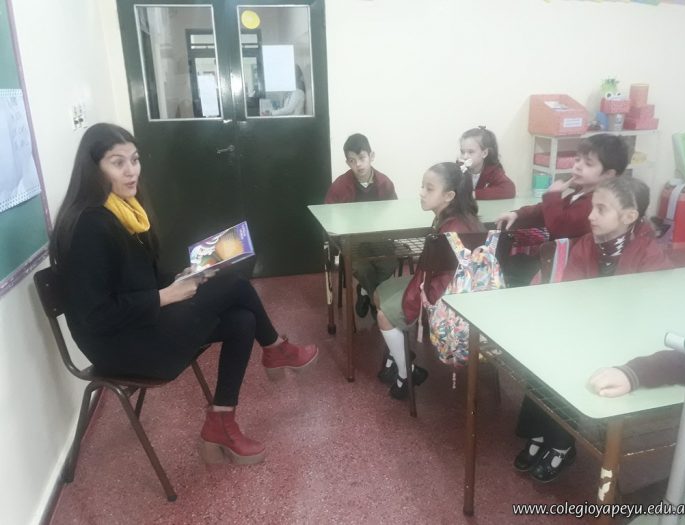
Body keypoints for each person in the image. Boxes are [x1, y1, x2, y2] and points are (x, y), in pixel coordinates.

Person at [49, 123, 318, 466]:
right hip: (121, 347)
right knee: (237, 286)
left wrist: (179, 278)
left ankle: (221, 421)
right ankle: (276, 349)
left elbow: (139, 279)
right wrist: (166, 296)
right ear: (94, 169)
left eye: (135, 159)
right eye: (118, 163)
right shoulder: (89, 226)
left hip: (140, 325)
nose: (131, 171)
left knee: (242, 320)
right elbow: (95, 315)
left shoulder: (125, 212)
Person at [513, 176, 672, 483]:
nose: (591, 215)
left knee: (566, 364)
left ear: (629, 216)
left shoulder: (648, 252)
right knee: (543, 355)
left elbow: (656, 304)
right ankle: (539, 432)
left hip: (626, 338)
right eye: (592, 207)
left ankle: (561, 444)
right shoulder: (588, 243)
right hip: (589, 327)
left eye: (601, 209)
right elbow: (572, 292)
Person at [373, 162, 485, 399]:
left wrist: (409, 307)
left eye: (429, 188)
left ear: (449, 196)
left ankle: (407, 374)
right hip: (445, 283)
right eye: (422, 186)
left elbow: (429, 281)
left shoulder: (449, 231)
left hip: (445, 296)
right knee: (379, 292)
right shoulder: (460, 218)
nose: (421, 192)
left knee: (383, 315)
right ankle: (398, 354)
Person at [495, 133, 630, 286]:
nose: (578, 166)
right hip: (550, 256)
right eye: (577, 160)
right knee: (508, 257)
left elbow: (559, 228)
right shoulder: (581, 192)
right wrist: (518, 214)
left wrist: (553, 195)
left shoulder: (594, 203)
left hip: (564, 267)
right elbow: (546, 211)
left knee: (509, 269)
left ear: (608, 174)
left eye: (588, 163)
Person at [325, 133, 399, 319]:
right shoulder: (340, 185)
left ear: (371, 156)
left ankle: (365, 291)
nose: (358, 164)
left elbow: (393, 211)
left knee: (389, 263)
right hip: (352, 240)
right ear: (347, 163)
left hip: (379, 237)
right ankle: (377, 303)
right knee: (363, 268)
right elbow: (328, 216)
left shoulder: (384, 182)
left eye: (361, 158)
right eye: (352, 160)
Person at [457, 126, 515, 200]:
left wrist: (473, 194)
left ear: (484, 153)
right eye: (462, 152)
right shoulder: (459, 169)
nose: (465, 157)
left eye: (471, 152)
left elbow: (509, 189)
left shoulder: (492, 171)